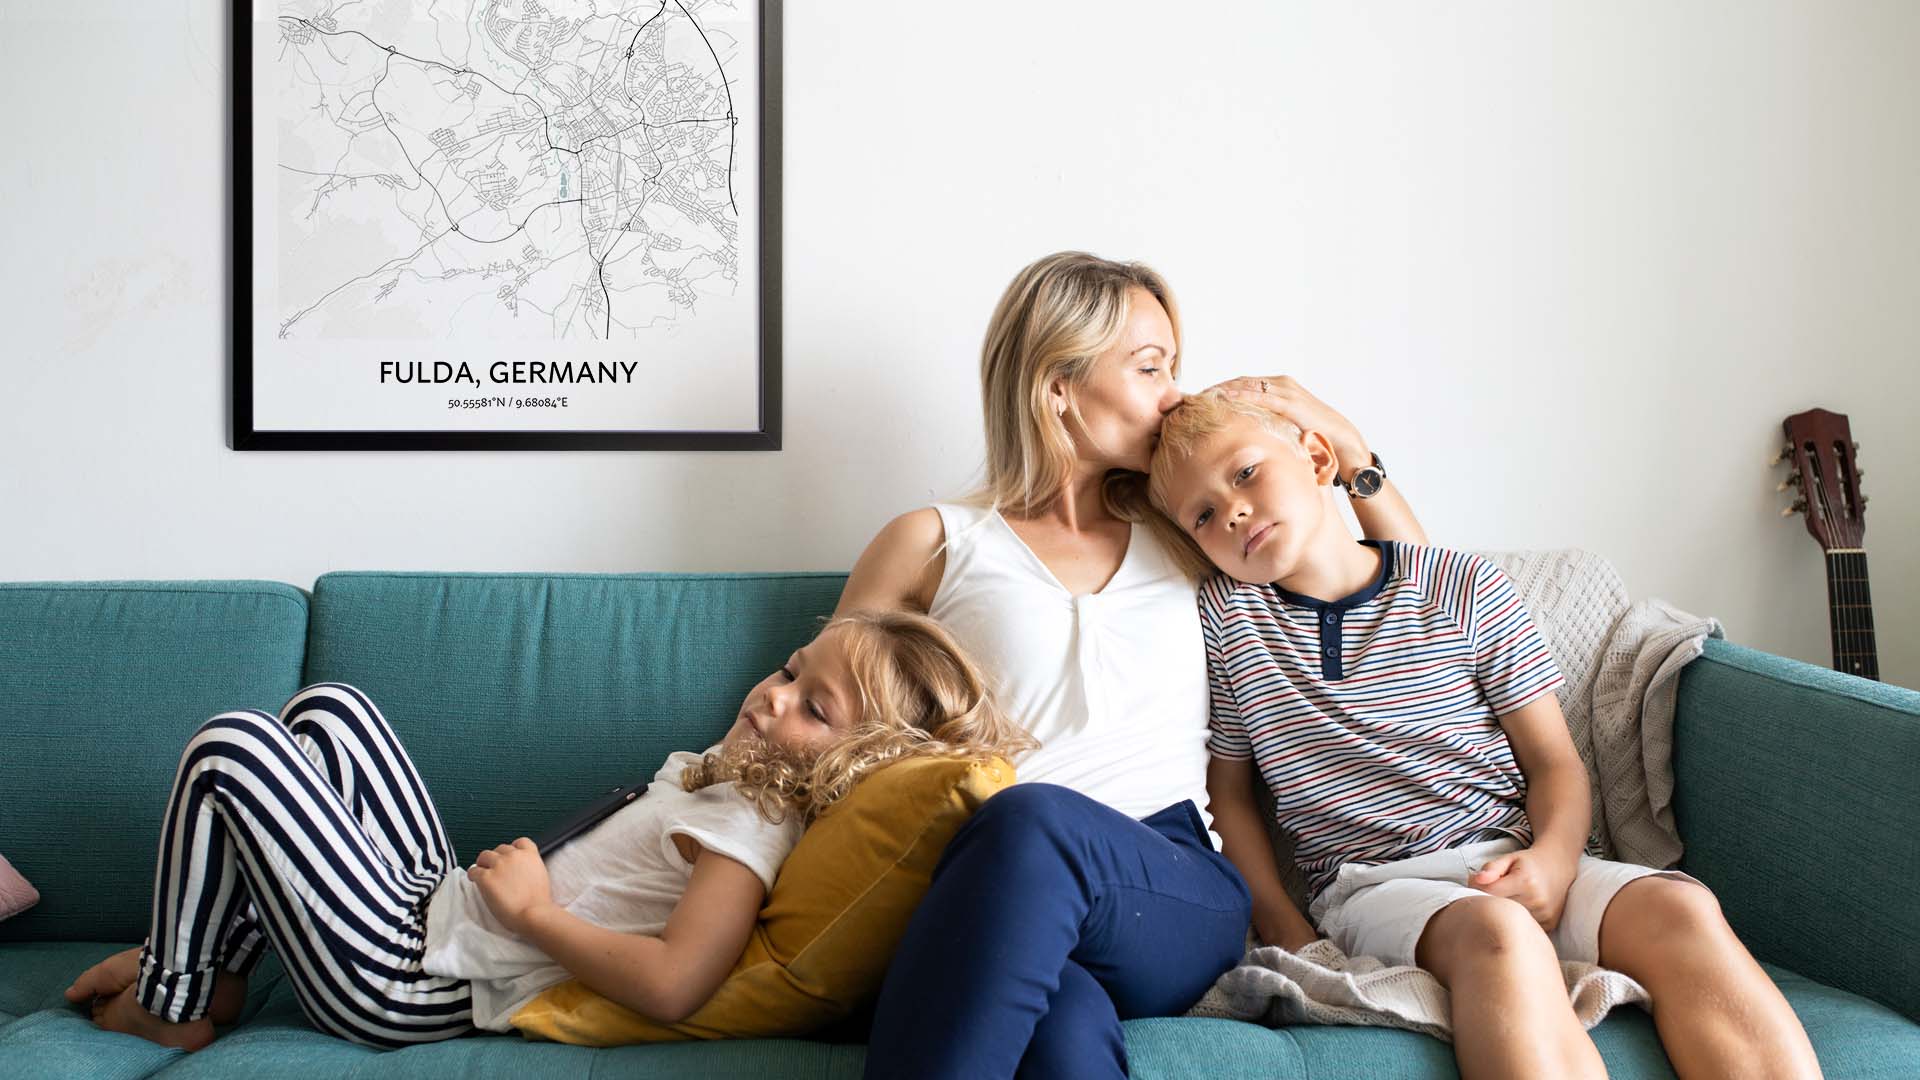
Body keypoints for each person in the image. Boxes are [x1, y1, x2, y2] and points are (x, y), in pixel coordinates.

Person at [841, 251, 1429, 1078]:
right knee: (1060, 1027)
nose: (1175, 395)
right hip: (998, 880)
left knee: (1032, 820)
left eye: (1174, 368)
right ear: (1058, 386)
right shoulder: (934, 542)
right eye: (1151, 368)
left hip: (1174, 883)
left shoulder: (1193, 529)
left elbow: (1402, 600)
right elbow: (820, 719)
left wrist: (1347, 443)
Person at [1145, 388, 1823, 1080]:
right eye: (1202, 515)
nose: (1231, 510)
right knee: (1500, 933)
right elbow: (1228, 794)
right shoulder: (1229, 621)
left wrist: (1555, 860)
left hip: (1513, 853)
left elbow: (1554, 761)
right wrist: (1285, 925)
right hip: (1377, 888)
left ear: (1318, 460)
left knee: (1681, 906)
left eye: (1246, 472)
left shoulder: (1462, 584)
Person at [65, 611, 1031, 1052]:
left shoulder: (754, 823)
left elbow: (676, 983)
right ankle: (218, 965)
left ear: (857, 763)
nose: (775, 697)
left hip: (414, 980)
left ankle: (173, 997)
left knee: (233, 750)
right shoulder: (727, 773)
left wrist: (534, 916)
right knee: (330, 712)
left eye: (814, 709)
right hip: (434, 905)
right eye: (789, 670)